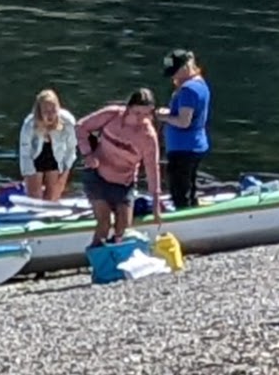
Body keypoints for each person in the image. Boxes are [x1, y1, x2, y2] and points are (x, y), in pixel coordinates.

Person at [75, 90, 165, 247]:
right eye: (137, 113)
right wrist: (87, 154)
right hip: (97, 175)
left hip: (124, 182)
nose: (141, 119)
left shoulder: (148, 136)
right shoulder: (112, 115)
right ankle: (96, 259)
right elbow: (81, 127)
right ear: (128, 108)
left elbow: (152, 169)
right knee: (104, 222)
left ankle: (117, 258)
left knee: (124, 228)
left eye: (146, 114)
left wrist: (156, 204)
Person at [159, 50, 212, 212]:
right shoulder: (200, 84)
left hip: (184, 148)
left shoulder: (188, 90)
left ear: (186, 66)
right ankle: (193, 210)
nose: (173, 77)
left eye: (175, 72)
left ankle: (185, 219)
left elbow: (184, 122)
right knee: (189, 187)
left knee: (180, 192)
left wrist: (162, 116)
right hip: (195, 144)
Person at [17, 89, 78, 201]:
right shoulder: (29, 124)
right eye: (46, 111)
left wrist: (65, 172)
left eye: (53, 111)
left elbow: (71, 148)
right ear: (39, 111)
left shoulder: (67, 121)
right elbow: (25, 151)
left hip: (56, 157)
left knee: (53, 196)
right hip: (34, 157)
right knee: (34, 196)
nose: (50, 115)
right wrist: (27, 173)